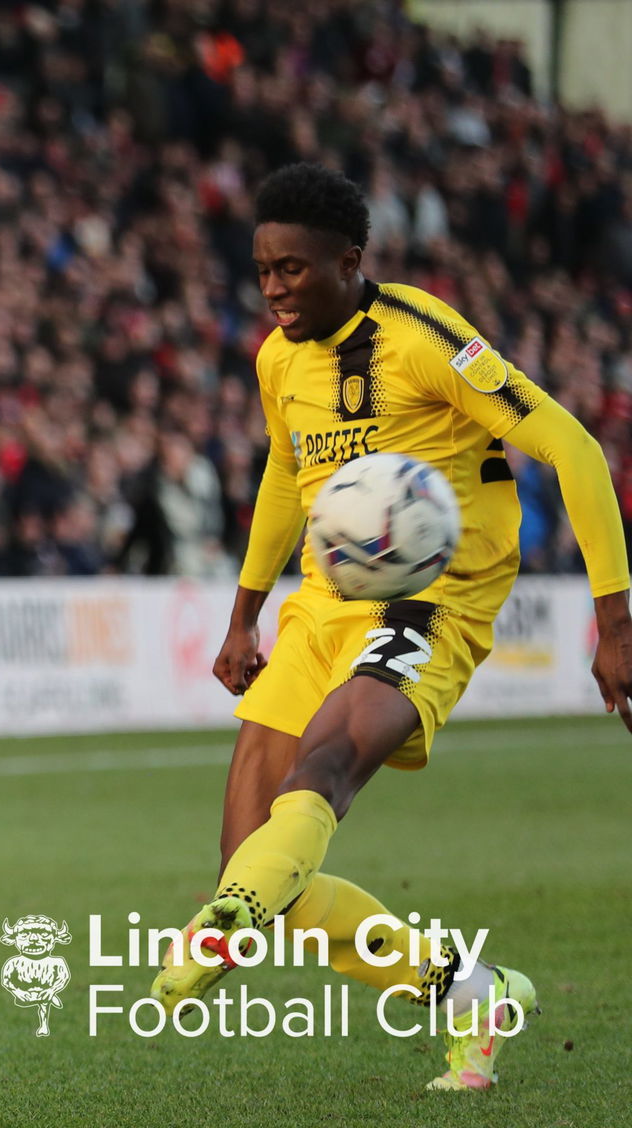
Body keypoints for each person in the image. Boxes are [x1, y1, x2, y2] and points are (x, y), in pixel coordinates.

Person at [149, 163, 632, 1091]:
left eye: (293, 268)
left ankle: (220, 922)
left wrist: (615, 621)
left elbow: (574, 446)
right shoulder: (276, 359)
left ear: (349, 260)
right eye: (262, 271)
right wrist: (242, 616)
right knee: (262, 875)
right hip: (323, 603)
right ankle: (467, 989)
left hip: (433, 600)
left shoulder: (424, 340)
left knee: (326, 769)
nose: (275, 288)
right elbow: (287, 479)